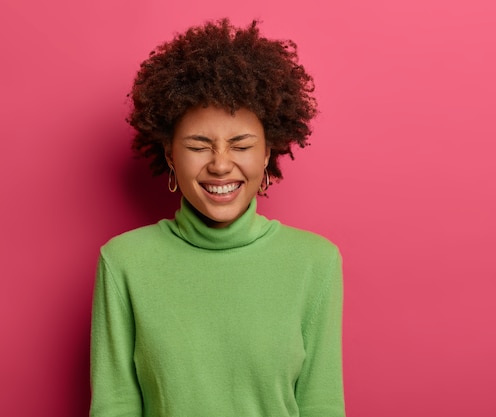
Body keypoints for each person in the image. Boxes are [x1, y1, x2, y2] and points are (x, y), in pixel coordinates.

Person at [89, 19, 345, 417]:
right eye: (198, 146)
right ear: (171, 155)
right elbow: (114, 404)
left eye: (241, 145)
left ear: (266, 154)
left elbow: (322, 404)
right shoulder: (123, 262)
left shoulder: (316, 262)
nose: (221, 165)